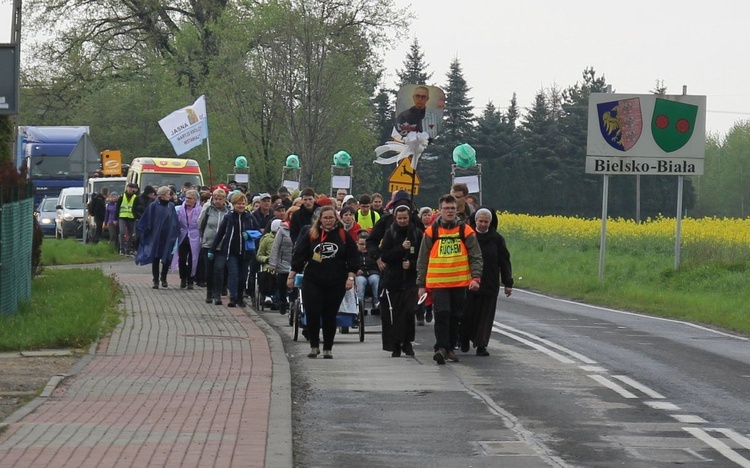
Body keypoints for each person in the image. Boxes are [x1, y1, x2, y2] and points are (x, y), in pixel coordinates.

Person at [416, 194, 483, 365]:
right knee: (442, 314)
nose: (450, 212)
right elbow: (422, 259)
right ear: (440, 210)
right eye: (447, 208)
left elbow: (476, 256)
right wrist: (421, 284)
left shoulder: (465, 230)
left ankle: (450, 348)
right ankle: (440, 348)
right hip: (438, 282)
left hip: (460, 282)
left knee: (455, 316)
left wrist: (476, 277)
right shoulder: (432, 231)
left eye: (453, 208)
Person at [287, 205, 359, 359]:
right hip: (313, 279)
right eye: (325, 218)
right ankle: (314, 346)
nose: (328, 220)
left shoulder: (343, 235)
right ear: (320, 219)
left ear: (336, 218)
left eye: (331, 218)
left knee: (329, 315)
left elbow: (353, 259)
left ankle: (328, 348)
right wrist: (291, 275)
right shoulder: (311, 235)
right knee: (312, 313)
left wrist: (350, 278)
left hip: (336, 281)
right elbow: (299, 255)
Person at [459, 208, 513, 356]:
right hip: (469, 282)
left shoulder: (497, 239)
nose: (483, 224)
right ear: (474, 221)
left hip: (490, 283)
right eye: (480, 221)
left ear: (490, 222)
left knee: (486, 315)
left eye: (486, 222)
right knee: (467, 313)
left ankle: (481, 344)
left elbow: (504, 261)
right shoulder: (468, 236)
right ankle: (463, 338)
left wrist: (508, 283)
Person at [379, 205, 422, 357]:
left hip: (410, 280)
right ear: (395, 218)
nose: (403, 221)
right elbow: (385, 256)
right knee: (394, 314)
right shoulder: (390, 234)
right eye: (400, 218)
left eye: (405, 218)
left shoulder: (417, 234)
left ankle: (408, 342)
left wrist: (412, 264)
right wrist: (400, 249)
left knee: (409, 312)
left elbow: (424, 258)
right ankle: (395, 344)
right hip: (393, 280)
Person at [209, 192, 259, 308]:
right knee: (233, 274)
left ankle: (240, 297)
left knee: (243, 276)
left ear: (246, 204)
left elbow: (258, 233)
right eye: (238, 204)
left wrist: (250, 236)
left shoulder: (250, 217)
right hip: (231, 252)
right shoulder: (229, 217)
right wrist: (212, 249)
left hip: (246, 252)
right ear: (233, 204)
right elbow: (220, 234)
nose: (241, 206)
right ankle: (233, 297)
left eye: (243, 203)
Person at [136, 186, 179, 289]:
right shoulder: (153, 206)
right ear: (163, 195)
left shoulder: (171, 205)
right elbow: (148, 219)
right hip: (156, 235)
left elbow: (174, 220)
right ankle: (155, 279)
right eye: (168, 194)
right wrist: (147, 231)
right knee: (156, 257)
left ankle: (163, 277)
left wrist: (175, 231)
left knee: (167, 257)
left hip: (168, 235)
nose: (170, 195)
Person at [198, 188, 230, 304]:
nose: (218, 201)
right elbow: (201, 224)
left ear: (224, 199)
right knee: (209, 270)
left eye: (220, 199)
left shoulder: (228, 211)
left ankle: (218, 294)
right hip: (208, 244)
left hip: (222, 246)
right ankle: (209, 292)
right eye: (215, 198)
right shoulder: (208, 209)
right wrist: (205, 237)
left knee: (219, 269)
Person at [172, 189, 203, 289]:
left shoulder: (201, 210)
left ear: (195, 200)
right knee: (182, 258)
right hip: (183, 235)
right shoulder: (180, 209)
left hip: (195, 235)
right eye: (186, 198)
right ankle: (183, 279)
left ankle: (190, 280)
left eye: (190, 198)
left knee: (193, 259)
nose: (187, 200)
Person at [269, 212, 294, 315]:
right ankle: (283, 302)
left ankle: (293, 304)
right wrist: (273, 264)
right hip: (283, 261)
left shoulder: (303, 228)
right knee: (282, 284)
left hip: (296, 261)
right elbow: (275, 247)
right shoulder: (283, 229)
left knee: (295, 285)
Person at [256, 218, 281, 306]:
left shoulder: (286, 237)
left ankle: (280, 299)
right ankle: (268, 296)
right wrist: (266, 259)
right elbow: (259, 255)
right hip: (269, 264)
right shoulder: (266, 239)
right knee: (270, 273)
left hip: (282, 263)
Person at [354, 230, 380, 313]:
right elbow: (350, 264)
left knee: (375, 280)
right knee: (360, 282)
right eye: (361, 244)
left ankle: (378, 304)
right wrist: (356, 270)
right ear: (357, 243)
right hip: (360, 275)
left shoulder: (374, 253)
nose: (364, 247)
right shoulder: (354, 254)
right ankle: (360, 306)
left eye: (366, 244)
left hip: (373, 273)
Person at [115, 183, 141, 255]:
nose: (130, 189)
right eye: (129, 187)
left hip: (131, 218)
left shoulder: (135, 197)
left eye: (132, 188)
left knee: (131, 234)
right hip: (122, 217)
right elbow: (117, 207)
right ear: (126, 188)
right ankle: (122, 249)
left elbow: (137, 208)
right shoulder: (122, 196)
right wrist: (115, 218)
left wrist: (136, 215)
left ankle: (128, 249)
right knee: (122, 232)